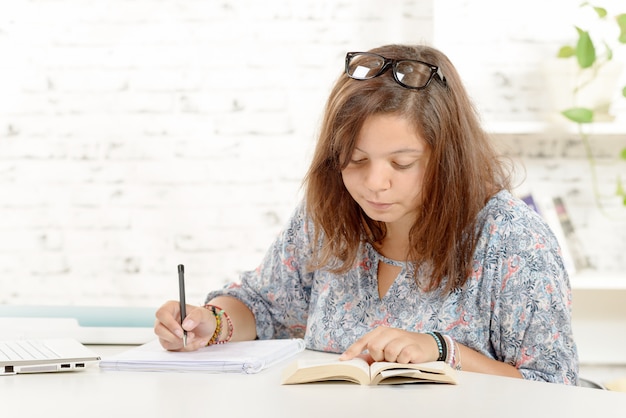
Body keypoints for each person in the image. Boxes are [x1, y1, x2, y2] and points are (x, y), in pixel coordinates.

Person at [154, 44, 579, 385]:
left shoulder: (512, 238)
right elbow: (263, 305)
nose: (375, 183)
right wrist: (211, 321)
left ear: (447, 158)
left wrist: (445, 352)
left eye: (401, 163)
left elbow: (553, 387)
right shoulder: (329, 215)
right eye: (356, 160)